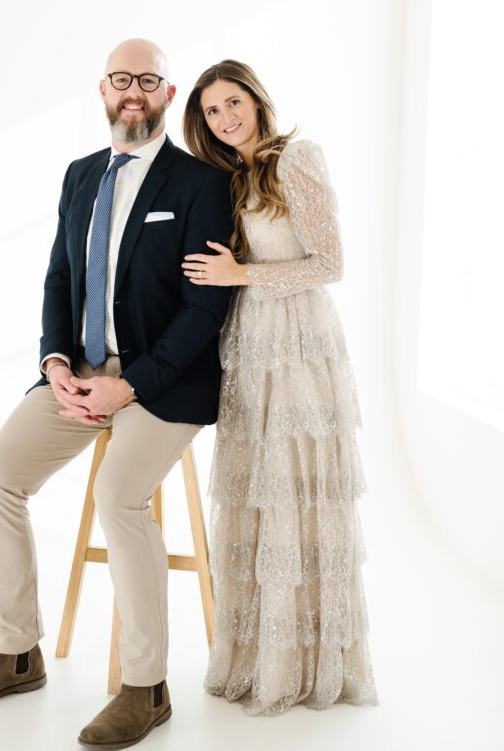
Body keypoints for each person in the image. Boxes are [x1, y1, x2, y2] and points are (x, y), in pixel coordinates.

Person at [0, 39, 233, 750]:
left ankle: (145, 686)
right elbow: (60, 280)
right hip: (81, 377)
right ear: (102, 90)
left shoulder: (198, 184)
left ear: (167, 93)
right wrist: (58, 360)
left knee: (116, 497)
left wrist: (129, 385)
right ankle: (16, 653)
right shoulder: (77, 176)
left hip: (164, 383)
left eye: (148, 80)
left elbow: (203, 310)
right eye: (121, 80)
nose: (134, 91)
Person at [181, 58, 379, 716]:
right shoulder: (226, 176)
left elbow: (331, 263)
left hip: (297, 345)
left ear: (257, 101)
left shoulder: (298, 156)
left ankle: (308, 665)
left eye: (233, 102)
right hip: (248, 347)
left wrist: (243, 275)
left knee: (296, 497)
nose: (225, 117)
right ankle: (256, 659)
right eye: (212, 110)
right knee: (255, 503)